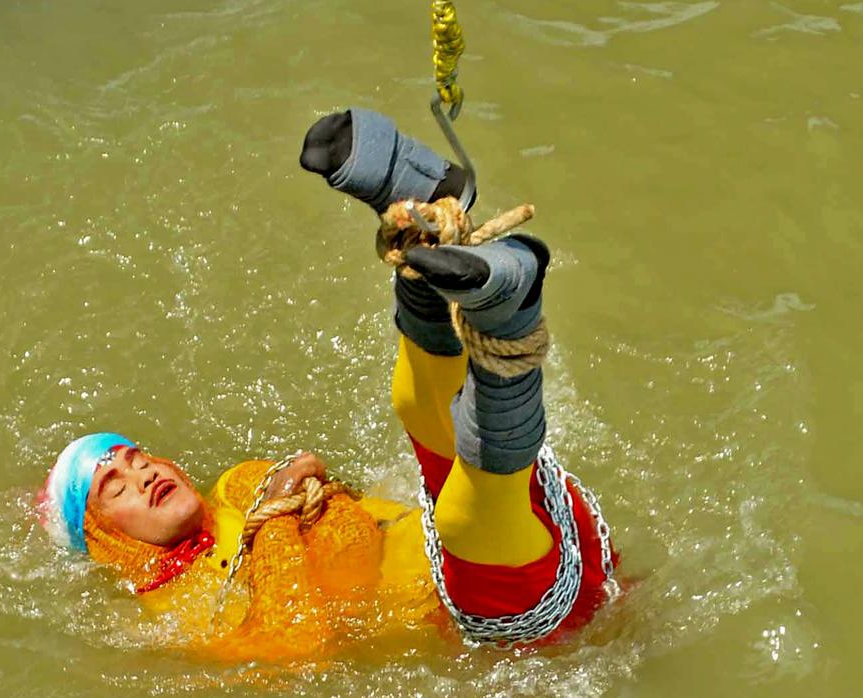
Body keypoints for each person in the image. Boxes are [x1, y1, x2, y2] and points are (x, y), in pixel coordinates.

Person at [38, 108, 617, 660]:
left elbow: (323, 520)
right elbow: (297, 644)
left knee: (418, 414)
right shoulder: (168, 614)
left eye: (136, 459)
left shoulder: (240, 487)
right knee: (464, 519)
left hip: (523, 550)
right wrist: (279, 521)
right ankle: (504, 317)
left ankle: (420, 232)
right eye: (113, 489)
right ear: (105, 539)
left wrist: (277, 510)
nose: (142, 476)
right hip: (527, 619)